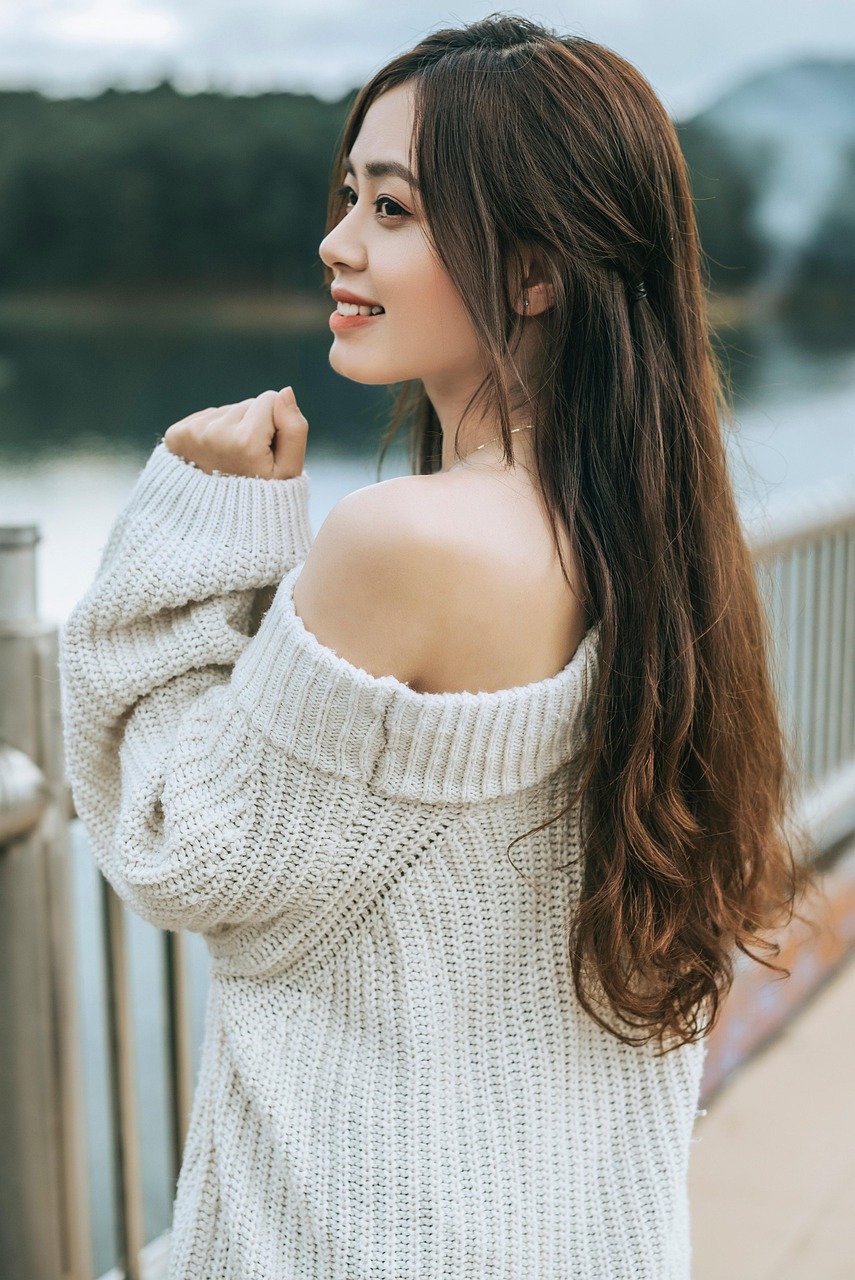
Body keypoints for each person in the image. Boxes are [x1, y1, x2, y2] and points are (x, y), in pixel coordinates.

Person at [58, 15, 816, 1279]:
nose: (336, 242)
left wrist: (201, 520)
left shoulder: (404, 543)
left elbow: (178, 844)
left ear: (534, 271)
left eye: (395, 208)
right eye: (348, 193)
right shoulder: (652, 541)